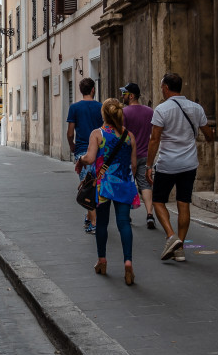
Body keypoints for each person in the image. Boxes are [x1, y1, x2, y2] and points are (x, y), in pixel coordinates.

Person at [145, 72, 216, 262]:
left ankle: (171, 236)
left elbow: (154, 139)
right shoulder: (195, 108)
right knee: (183, 203)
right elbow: (208, 134)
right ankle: (180, 248)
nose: (161, 89)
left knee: (158, 201)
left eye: (161, 86)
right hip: (189, 163)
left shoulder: (161, 110)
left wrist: (149, 165)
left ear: (166, 87)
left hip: (168, 163)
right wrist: (211, 135)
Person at [76, 98, 140, 286]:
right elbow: (134, 165)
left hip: (104, 186)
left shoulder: (98, 134)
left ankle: (102, 261)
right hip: (125, 184)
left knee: (102, 224)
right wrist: (128, 180)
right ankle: (128, 262)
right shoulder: (130, 136)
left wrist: (80, 159)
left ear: (103, 114)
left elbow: (90, 158)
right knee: (124, 224)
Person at [67, 77, 103, 234]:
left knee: (87, 187)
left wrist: (72, 146)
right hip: (100, 151)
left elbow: (70, 133)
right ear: (93, 89)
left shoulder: (74, 108)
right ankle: (89, 218)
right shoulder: (101, 107)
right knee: (93, 186)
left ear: (81, 91)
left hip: (82, 151)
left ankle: (94, 222)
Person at [120, 83, 156, 229]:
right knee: (146, 185)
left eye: (125, 93)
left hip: (130, 155)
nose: (123, 96)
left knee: (128, 183)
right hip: (145, 154)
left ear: (131, 95)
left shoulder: (124, 112)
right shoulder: (149, 112)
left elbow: (122, 135)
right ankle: (149, 214)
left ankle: (127, 215)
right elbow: (154, 133)